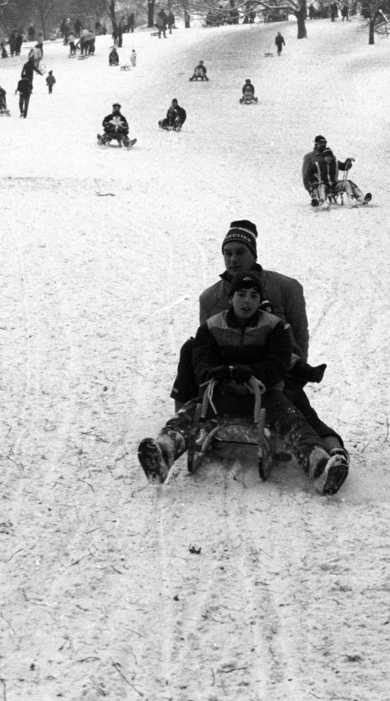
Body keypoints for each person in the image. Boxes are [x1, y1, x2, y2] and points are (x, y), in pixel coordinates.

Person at [147, 221, 347, 488]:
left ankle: (326, 459)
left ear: (254, 254)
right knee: (191, 369)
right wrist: (214, 376)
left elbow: (298, 338)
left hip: (274, 376)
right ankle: (170, 445)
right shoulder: (210, 300)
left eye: (240, 252)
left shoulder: (286, 290)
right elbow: (205, 350)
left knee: (298, 416)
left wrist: (296, 373)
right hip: (223, 384)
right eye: (227, 252)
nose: (232, 259)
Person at [302, 135, 338, 206]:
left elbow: (335, 168)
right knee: (316, 186)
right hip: (315, 184)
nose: (323, 144)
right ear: (316, 144)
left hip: (328, 183)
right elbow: (305, 173)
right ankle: (316, 200)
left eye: (325, 143)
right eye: (321, 143)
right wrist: (308, 188)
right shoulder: (309, 156)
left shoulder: (331, 156)